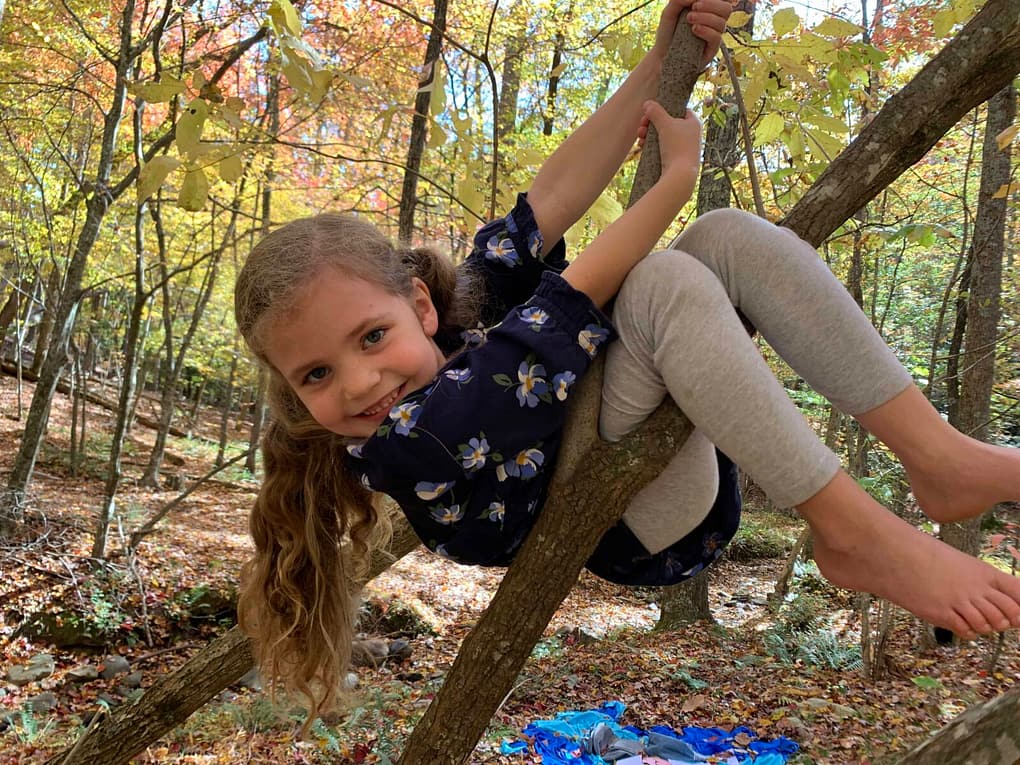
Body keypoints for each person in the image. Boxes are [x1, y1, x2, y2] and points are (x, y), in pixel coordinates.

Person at [233, 0, 1020, 725]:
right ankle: (856, 533)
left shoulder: (460, 317)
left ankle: (939, 457)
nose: (361, 381)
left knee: (726, 235)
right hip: (633, 529)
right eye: (316, 375)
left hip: (666, 478)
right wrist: (673, 178)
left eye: (371, 337)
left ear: (421, 305)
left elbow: (547, 201)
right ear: (296, 395)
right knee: (666, 277)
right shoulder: (409, 439)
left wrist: (662, 65)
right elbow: (570, 301)